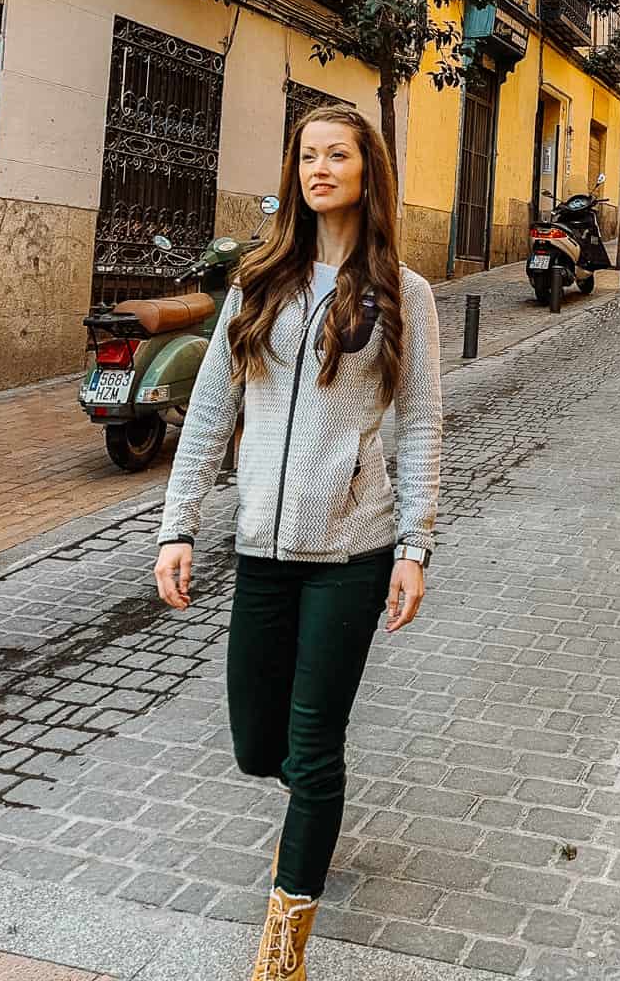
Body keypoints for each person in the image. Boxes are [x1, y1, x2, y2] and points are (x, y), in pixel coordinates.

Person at [153, 105, 442, 981]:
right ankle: (313, 811)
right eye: (308, 156)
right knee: (257, 745)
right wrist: (179, 525)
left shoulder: (404, 292)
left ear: (366, 169)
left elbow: (421, 425)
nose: (320, 168)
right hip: (262, 553)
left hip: (349, 554)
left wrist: (413, 546)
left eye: (337, 155)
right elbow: (212, 411)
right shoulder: (259, 280)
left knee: (314, 749)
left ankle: (283, 948)